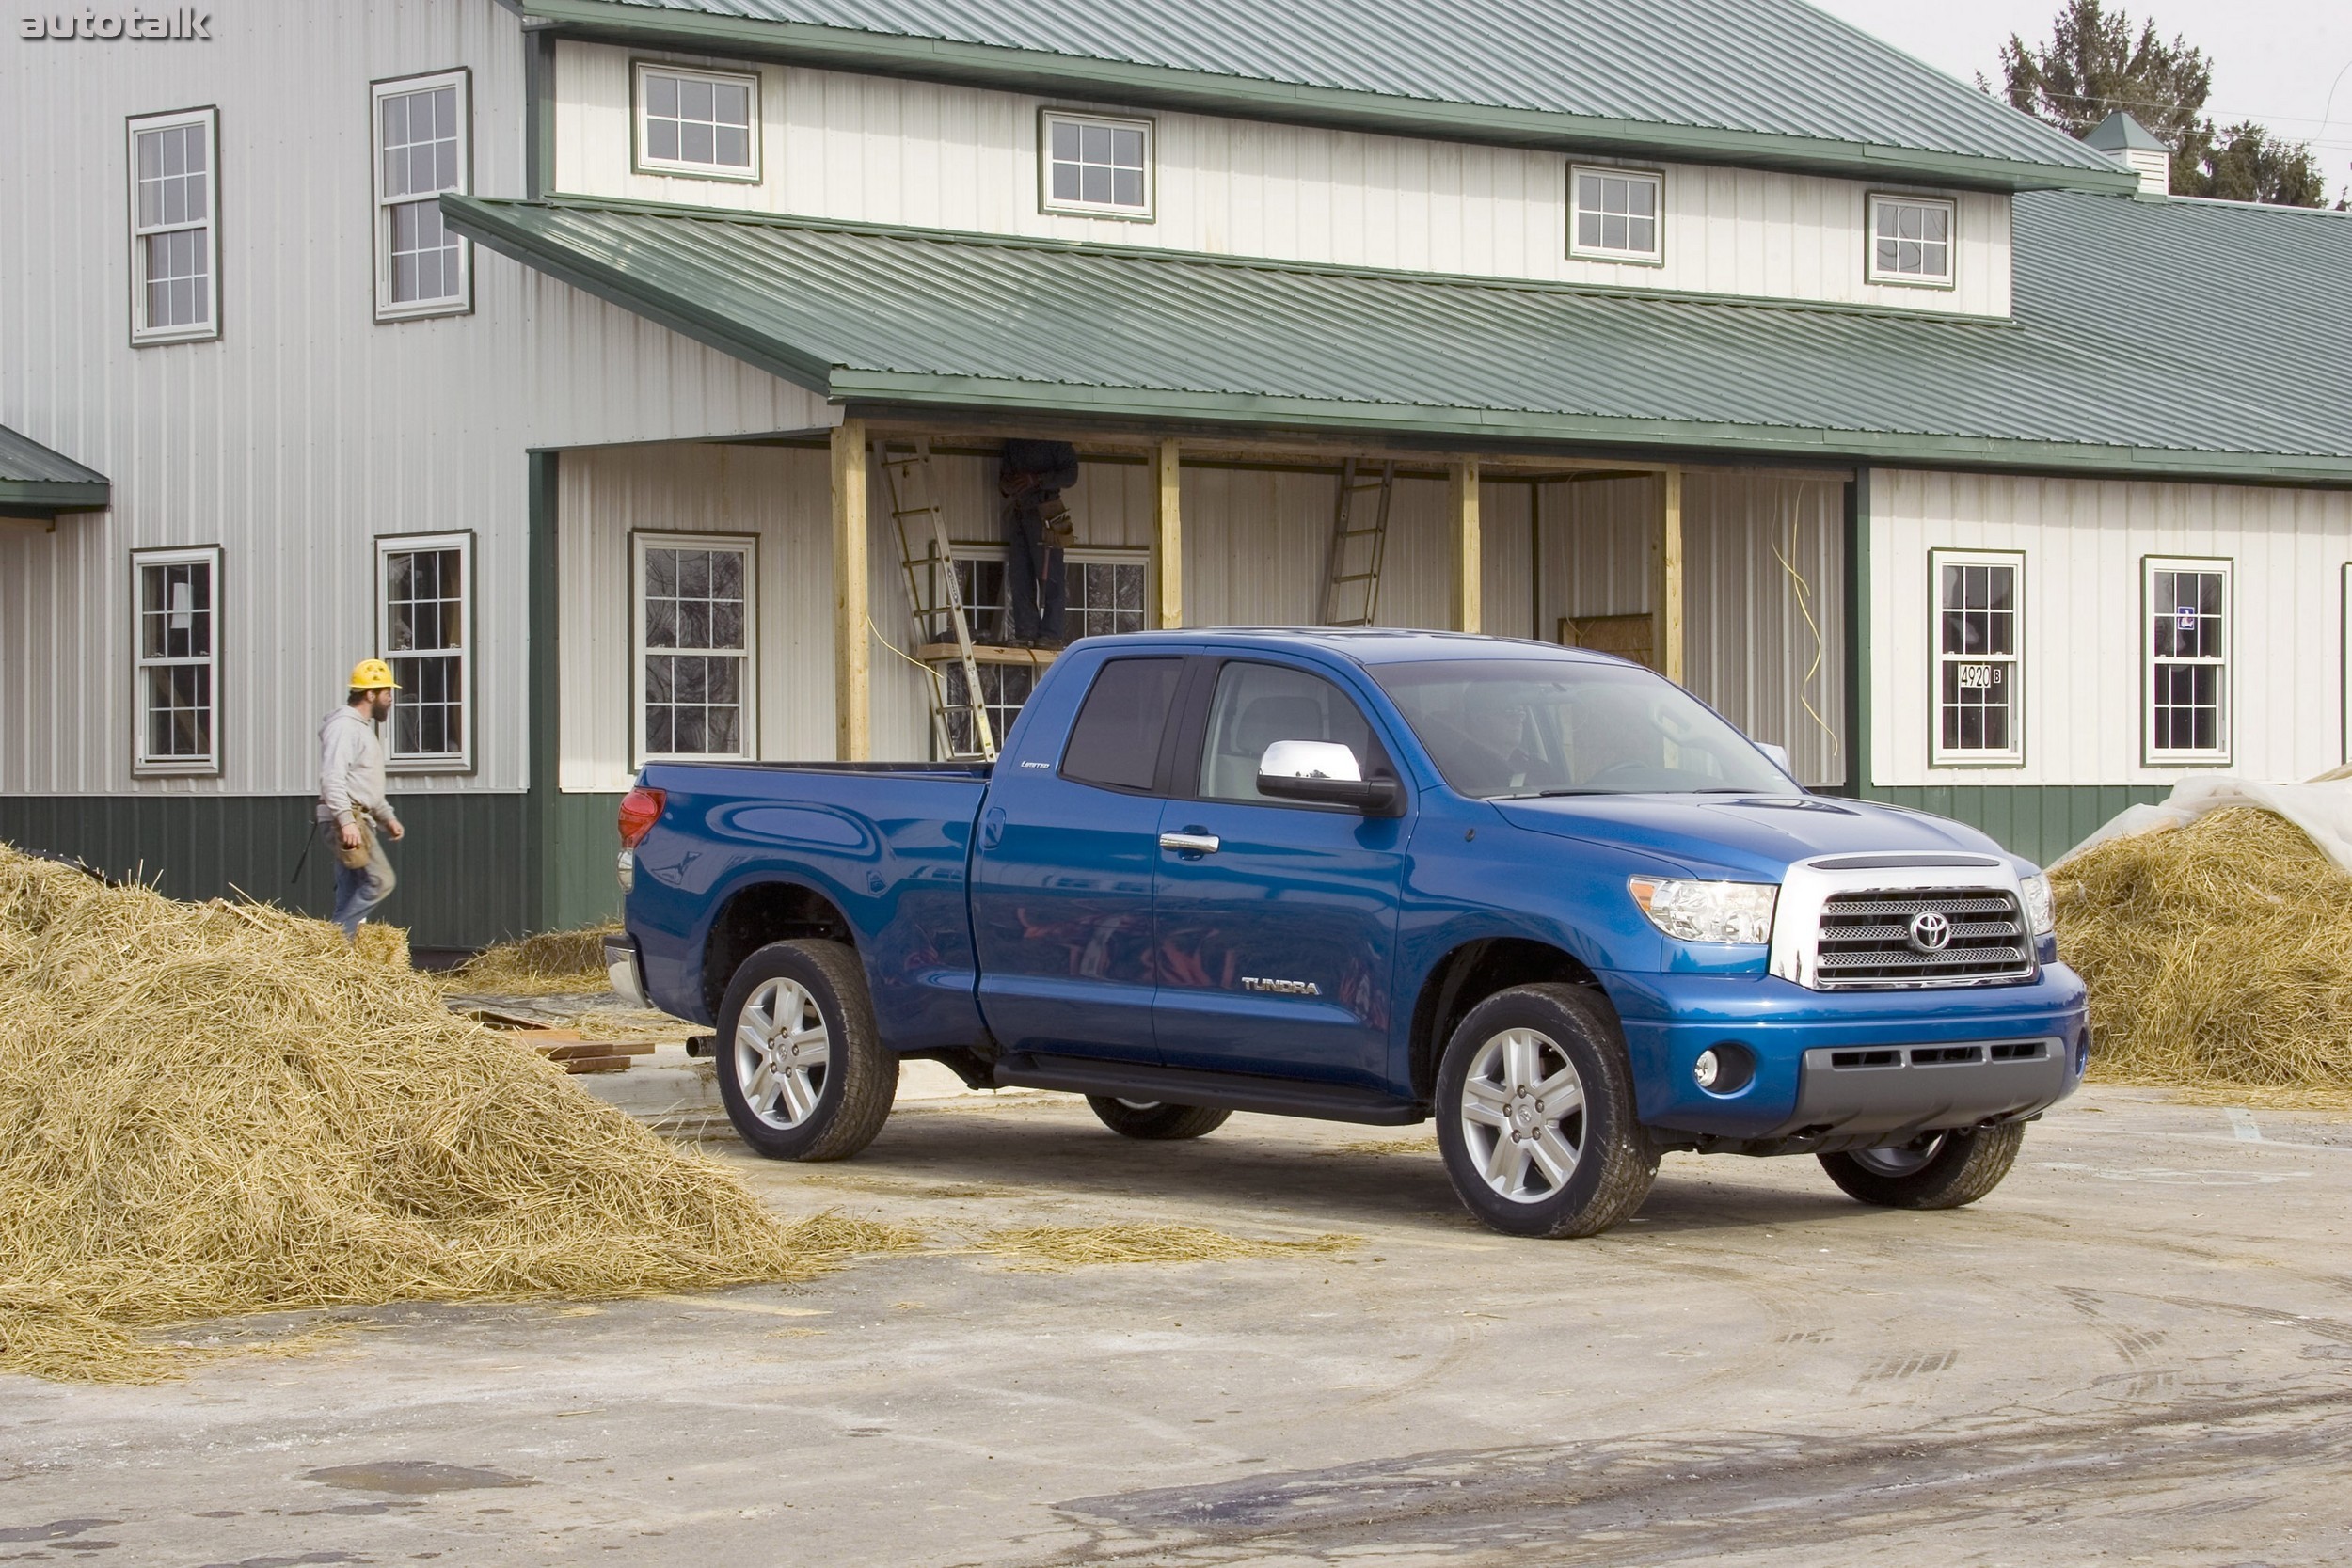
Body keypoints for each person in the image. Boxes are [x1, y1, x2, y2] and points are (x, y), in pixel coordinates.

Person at [318, 659, 405, 939]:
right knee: (381, 881)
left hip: (356, 818)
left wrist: (387, 817)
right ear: (370, 694)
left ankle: (339, 956)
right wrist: (346, 822)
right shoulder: (345, 728)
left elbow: (364, 785)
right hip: (348, 820)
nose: (391, 700)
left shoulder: (360, 729)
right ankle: (336, 939)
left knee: (351, 891)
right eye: (387, 693)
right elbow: (332, 777)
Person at [996, 438, 1079, 648]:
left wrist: (1037, 480)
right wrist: (1008, 484)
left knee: (1051, 576)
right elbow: (1003, 479)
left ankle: (1051, 634)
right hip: (1019, 510)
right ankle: (1026, 632)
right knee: (1019, 575)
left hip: (1047, 510)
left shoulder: (1056, 441)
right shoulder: (1014, 443)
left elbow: (1071, 475)